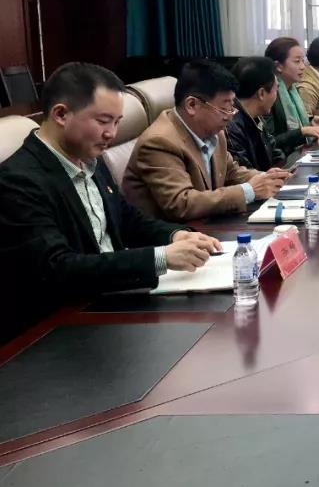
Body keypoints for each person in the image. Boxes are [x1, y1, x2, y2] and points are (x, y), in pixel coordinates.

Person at [0, 63, 220, 342]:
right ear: (61, 114)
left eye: (117, 122)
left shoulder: (88, 156)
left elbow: (126, 218)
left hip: (113, 300)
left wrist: (175, 235)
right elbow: (59, 268)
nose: (112, 133)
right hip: (62, 327)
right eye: (103, 121)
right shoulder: (18, 182)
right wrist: (160, 258)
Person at [123, 61, 291, 222]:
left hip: (206, 226)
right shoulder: (160, 142)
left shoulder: (215, 132)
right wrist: (248, 191)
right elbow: (181, 203)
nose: (230, 116)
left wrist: (267, 178)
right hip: (173, 234)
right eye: (224, 108)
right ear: (192, 105)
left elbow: (231, 172)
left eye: (232, 107)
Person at [264, 37, 319, 159]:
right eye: (297, 61)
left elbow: (297, 126)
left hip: (298, 155)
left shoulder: (293, 90)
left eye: (303, 61)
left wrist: (311, 123)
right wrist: (302, 131)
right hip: (281, 162)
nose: (303, 67)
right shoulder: (269, 95)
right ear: (278, 66)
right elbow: (269, 143)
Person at [226, 57, 286, 171]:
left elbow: (275, 153)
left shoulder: (257, 117)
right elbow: (244, 172)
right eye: (276, 89)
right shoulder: (231, 126)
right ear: (261, 93)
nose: (277, 95)